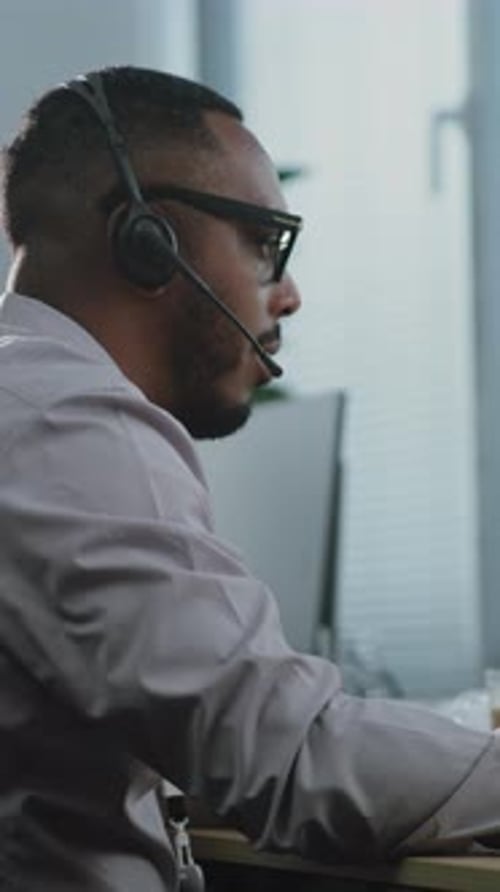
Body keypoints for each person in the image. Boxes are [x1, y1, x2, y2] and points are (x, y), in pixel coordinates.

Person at [0, 65, 499, 892]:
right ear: (147, 240)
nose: (290, 294)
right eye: (265, 244)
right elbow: (290, 757)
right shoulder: (60, 422)